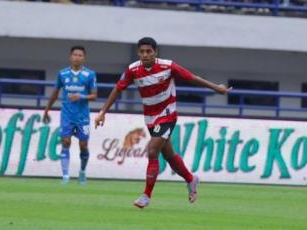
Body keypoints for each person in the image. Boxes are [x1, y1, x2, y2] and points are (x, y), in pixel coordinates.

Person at [94, 37, 231, 208]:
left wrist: (216, 88)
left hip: (168, 114)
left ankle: (146, 195)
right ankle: (191, 179)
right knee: (169, 156)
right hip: (150, 118)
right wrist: (102, 112)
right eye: (142, 52)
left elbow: (192, 78)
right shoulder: (133, 70)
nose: (145, 55)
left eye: (148, 51)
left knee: (152, 151)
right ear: (138, 53)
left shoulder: (168, 66)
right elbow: (118, 89)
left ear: (155, 52)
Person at [43, 46, 97, 185]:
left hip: (82, 116)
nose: (77, 57)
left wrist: (81, 96)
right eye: (75, 54)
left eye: (80, 55)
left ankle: (82, 172)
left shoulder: (89, 75)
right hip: (67, 114)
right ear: (70, 56)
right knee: (66, 142)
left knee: (83, 145)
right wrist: (47, 110)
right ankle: (65, 176)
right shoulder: (63, 74)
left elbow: (94, 96)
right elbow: (55, 92)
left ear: (84, 58)